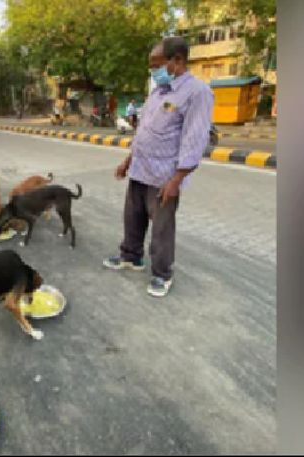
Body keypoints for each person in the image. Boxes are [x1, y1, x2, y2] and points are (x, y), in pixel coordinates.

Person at [103, 37, 214, 297]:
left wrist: (176, 180)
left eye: (157, 65)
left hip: (165, 177)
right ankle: (131, 256)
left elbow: (195, 139)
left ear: (177, 61)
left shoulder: (197, 92)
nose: (153, 71)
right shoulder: (158, 91)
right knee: (133, 217)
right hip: (140, 169)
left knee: (162, 228)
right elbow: (145, 131)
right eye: (151, 66)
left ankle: (163, 274)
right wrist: (128, 160)